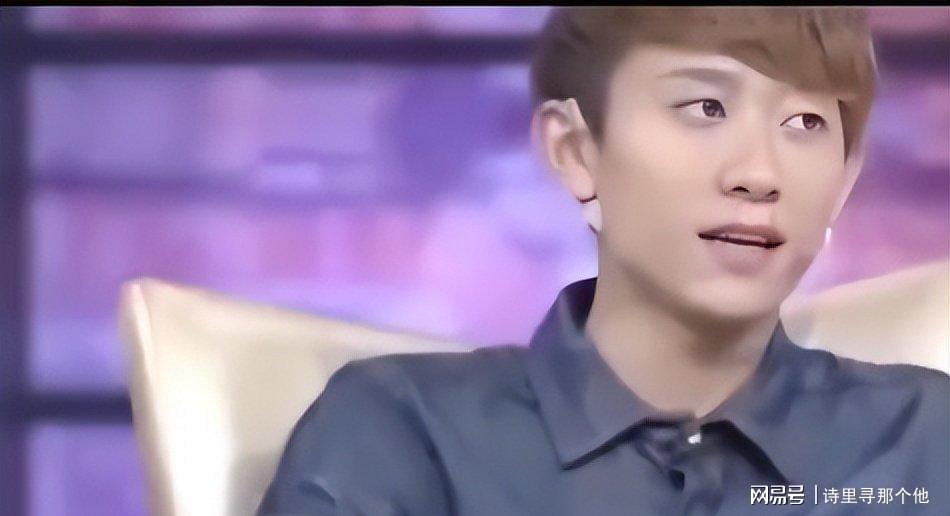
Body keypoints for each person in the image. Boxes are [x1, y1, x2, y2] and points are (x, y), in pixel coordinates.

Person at [258, 7, 949, 515]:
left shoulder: (924, 441)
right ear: (576, 151)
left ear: (845, 177)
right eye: (706, 107)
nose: (758, 174)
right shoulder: (404, 435)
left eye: (805, 123)